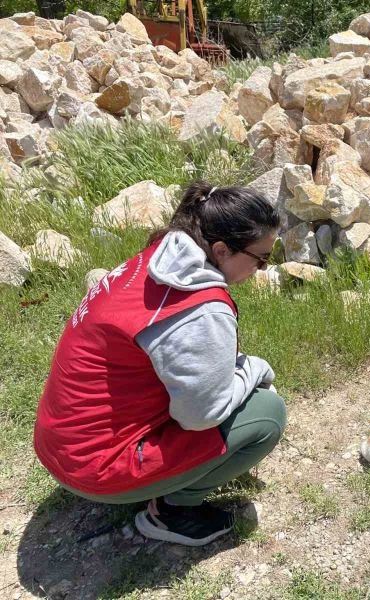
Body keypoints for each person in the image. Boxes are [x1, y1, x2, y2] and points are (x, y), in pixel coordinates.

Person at [34, 181, 286, 547]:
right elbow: (202, 415)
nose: (262, 268)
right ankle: (172, 512)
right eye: (260, 258)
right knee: (266, 413)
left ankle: (161, 478)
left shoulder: (157, 258)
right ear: (221, 250)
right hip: (94, 468)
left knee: (237, 389)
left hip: (62, 448)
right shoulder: (202, 309)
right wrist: (256, 369)